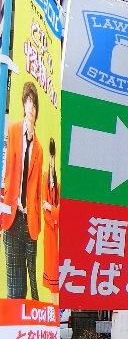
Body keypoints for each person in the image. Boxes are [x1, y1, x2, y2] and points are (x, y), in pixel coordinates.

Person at [1, 82, 43, 300]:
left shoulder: (39, 147)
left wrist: (37, 218)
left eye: (34, 104)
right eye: (28, 102)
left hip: (29, 218)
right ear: (23, 105)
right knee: (13, 276)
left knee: (32, 277)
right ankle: (13, 326)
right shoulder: (13, 131)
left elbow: (37, 191)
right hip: (11, 213)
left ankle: (31, 323)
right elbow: (6, 170)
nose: (31, 108)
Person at [42, 138, 59, 295]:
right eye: (50, 157)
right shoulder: (44, 180)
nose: (52, 161)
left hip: (57, 232)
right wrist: (54, 217)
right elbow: (43, 207)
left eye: (54, 157)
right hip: (50, 231)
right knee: (50, 264)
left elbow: (61, 210)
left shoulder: (59, 186)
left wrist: (53, 210)